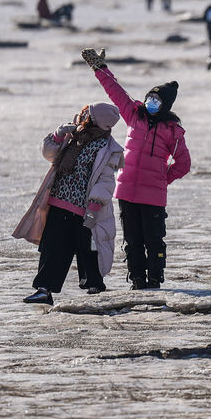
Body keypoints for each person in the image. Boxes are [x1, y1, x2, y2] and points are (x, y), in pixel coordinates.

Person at [81, 48, 191, 289]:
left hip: (153, 195)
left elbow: (183, 164)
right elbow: (115, 91)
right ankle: (137, 279)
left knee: (153, 239)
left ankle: (154, 279)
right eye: (150, 98)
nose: (151, 103)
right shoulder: (134, 115)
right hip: (127, 192)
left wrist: (163, 178)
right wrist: (100, 68)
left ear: (165, 105)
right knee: (132, 240)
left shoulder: (172, 131)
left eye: (157, 101)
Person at [13, 102, 124, 304]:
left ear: (96, 119)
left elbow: (106, 181)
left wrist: (94, 206)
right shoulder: (74, 136)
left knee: (88, 248)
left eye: (86, 114)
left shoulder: (107, 148)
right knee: (52, 249)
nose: (81, 116)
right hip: (58, 202)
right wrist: (57, 135)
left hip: (85, 209)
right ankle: (44, 290)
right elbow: (49, 154)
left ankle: (95, 287)